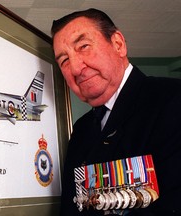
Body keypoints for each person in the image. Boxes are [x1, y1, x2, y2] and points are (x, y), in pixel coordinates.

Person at [51, 8, 181, 216]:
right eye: (64, 60)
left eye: (83, 46)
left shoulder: (172, 99)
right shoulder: (82, 129)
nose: (75, 68)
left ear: (118, 44)